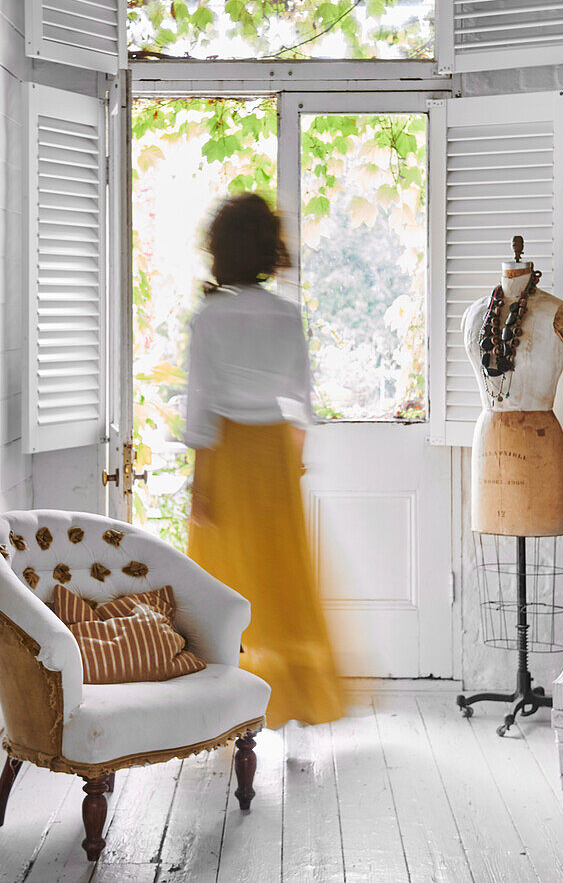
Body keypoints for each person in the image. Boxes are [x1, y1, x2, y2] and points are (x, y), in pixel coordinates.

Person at [184, 192, 345, 728]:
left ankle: (219, 710)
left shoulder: (209, 317)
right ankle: (296, 702)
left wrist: (200, 485)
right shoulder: (285, 314)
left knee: (221, 580)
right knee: (283, 578)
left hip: (228, 458)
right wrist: (290, 466)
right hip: (274, 452)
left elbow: (202, 408)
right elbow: (302, 404)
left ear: (221, 250)